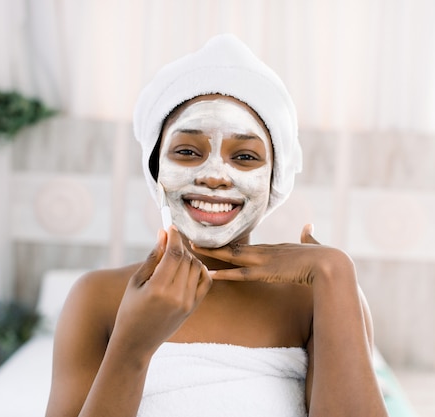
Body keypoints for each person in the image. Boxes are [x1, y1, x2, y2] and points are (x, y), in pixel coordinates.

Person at [45, 34, 389, 417]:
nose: (215, 176)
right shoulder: (98, 298)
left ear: (275, 180)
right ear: (156, 169)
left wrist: (336, 270)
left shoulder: (317, 299)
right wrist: (133, 346)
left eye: (244, 156)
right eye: (188, 151)